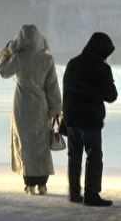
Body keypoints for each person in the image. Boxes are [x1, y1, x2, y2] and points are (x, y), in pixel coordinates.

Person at [0, 24, 62, 195]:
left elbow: (4, 72)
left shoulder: (18, 59)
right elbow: (52, 87)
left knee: (26, 145)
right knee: (41, 145)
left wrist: (5, 54)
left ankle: (29, 184)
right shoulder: (47, 60)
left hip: (22, 107)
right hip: (42, 107)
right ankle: (42, 184)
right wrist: (56, 110)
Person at [63, 32, 117, 206]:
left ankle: (74, 192)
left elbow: (66, 93)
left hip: (72, 119)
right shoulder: (102, 69)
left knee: (74, 156)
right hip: (91, 120)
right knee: (93, 157)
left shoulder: (73, 64)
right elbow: (111, 96)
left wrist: (66, 117)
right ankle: (91, 194)